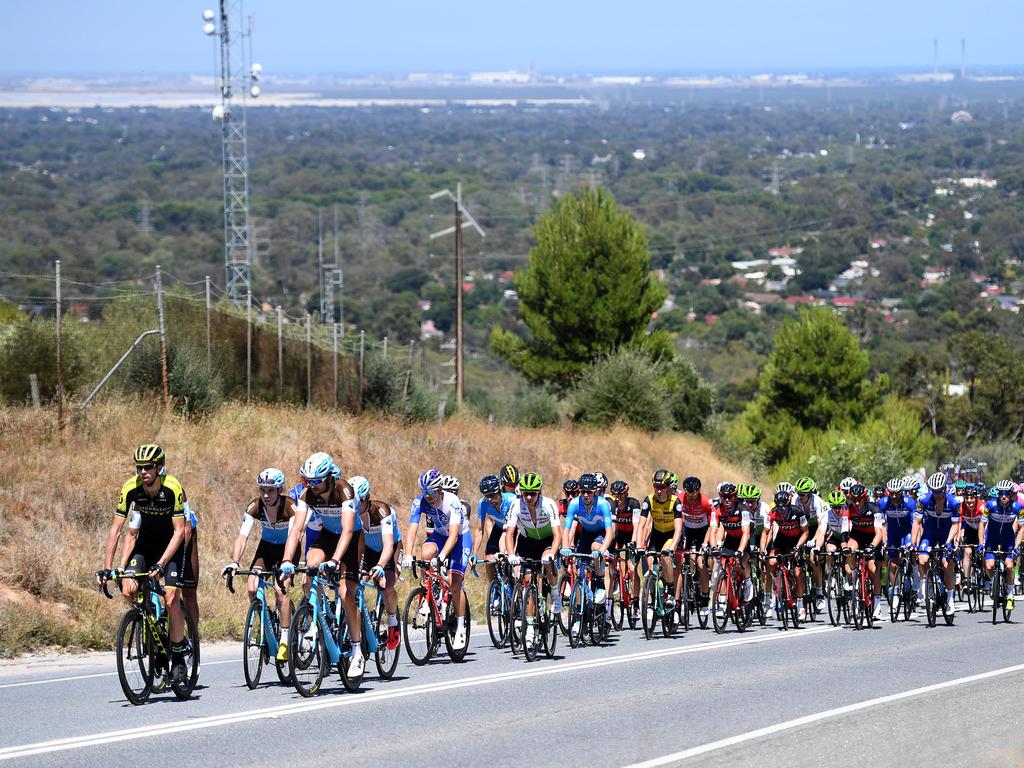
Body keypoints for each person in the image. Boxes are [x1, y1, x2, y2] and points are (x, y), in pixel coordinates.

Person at [99, 444, 189, 684]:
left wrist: (161, 564)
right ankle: (153, 634)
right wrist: (108, 569)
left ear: (159, 467)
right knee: (128, 588)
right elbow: (117, 530)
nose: (143, 472)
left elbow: (180, 532)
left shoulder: (173, 487)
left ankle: (179, 655)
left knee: (171, 599)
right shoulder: (131, 488)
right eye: (139, 467)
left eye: (148, 467)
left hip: (171, 546)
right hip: (146, 546)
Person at [279, 452, 365, 676]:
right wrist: (287, 560)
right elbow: (296, 530)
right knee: (310, 565)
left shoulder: (343, 490)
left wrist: (335, 560)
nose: (312, 486)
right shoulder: (308, 495)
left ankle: (357, 650)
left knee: (346, 594)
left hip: (353, 539)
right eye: (308, 481)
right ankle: (321, 615)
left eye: (316, 481)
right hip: (328, 534)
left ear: (328, 478)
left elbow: (347, 530)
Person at [222, 468, 305, 661]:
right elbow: (242, 537)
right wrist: (235, 562)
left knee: (279, 589)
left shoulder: (290, 507)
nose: (266, 495)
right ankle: (265, 619)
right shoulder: (255, 506)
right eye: (262, 490)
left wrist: (286, 562)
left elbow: (295, 535)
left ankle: (285, 639)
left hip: (288, 549)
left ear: (280, 490)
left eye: (271, 490)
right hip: (266, 549)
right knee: (252, 588)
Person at [402, 469, 472, 650]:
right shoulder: (420, 501)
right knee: (425, 554)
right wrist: (408, 554)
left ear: (440, 489)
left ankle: (461, 626)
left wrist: (441, 557)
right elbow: (412, 530)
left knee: (454, 583)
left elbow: (455, 535)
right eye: (425, 492)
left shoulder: (452, 501)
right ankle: (429, 594)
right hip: (440, 536)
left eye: (432, 492)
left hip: (459, 539)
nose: (428, 496)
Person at [502, 472, 562, 635]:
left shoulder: (548, 504)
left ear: (539, 492)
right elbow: (509, 533)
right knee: (528, 581)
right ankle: (529, 627)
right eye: (525, 493)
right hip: (528, 541)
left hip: (547, 541)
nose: (529, 497)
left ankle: (555, 592)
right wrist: (511, 555)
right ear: (521, 493)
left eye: (533, 493)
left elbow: (557, 534)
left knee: (546, 562)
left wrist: (552, 554)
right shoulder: (516, 505)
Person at [349, 475, 402, 651]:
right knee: (354, 584)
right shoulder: (350, 513)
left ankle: (393, 623)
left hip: (390, 548)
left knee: (386, 586)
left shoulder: (382, 511)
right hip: (368, 550)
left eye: (359, 502)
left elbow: (388, 545)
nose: (355, 507)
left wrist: (380, 566)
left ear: (367, 498)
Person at [561, 472, 614, 612]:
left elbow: (610, 532)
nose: (585, 495)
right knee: (579, 573)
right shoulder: (574, 504)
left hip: (600, 534)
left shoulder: (603, 504)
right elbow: (566, 529)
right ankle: (580, 612)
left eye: (588, 492)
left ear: (594, 491)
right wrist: (565, 548)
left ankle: (601, 583)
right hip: (585, 535)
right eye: (582, 492)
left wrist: (602, 551)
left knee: (596, 548)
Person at [911, 472, 960, 611]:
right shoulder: (923, 500)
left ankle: (950, 599)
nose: (937, 495)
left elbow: (956, 525)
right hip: (930, 533)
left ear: (944, 489)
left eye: (939, 492)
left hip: (947, 534)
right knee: (922, 559)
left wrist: (949, 542)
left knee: (946, 565)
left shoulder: (954, 502)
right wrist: (913, 543)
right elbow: (917, 522)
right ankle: (926, 586)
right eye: (934, 492)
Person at [638, 469, 684, 610]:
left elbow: (678, 529)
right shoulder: (649, 500)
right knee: (650, 566)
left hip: (671, 535)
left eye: (662, 487)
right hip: (657, 535)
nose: (658, 491)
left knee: (665, 556)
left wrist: (672, 548)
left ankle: (670, 591)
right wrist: (640, 544)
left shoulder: (675, 502)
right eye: (656, 487)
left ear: (669, 488)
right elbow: (641, 524)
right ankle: (654, 599)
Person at [765, 485, 809, 619]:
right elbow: (766, 532)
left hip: (796, 540)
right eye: (779, 508)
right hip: (782, 539)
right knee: (771, 561)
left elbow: (806, 532)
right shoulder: (772, 512)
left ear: (789, 505)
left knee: (797, 572)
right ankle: (778, 587)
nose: (782, 511)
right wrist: (762, 550)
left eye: (784, 508)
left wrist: (797, 547)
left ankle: (800, 604)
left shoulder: (798, 512)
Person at [842, 483, 885, 618]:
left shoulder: (874, 509)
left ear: (865, 498)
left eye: (859, 499)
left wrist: (872, 547)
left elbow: (879, 533)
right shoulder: (848, 510)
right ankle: (854, 583)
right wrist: (844, 547)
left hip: (873, 538)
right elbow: (844, 531)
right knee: (850, 554)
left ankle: (877, 603)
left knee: (873, 570)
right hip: (857, 536)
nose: (856, 502)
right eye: (853, 500)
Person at [979, 480, 1024, 609]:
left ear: (1010, 494)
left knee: (1009, 566)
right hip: (991, 539)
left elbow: (1022, 528)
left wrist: (1016, 546)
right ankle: (994, 582)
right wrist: (981, 543)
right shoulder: (990, 505)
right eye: (1001, 493)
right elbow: (982, 524)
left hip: (1008, 539)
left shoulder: (1017, 507)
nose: (1003, 496)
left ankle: (1010, 594)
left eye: (1006, 493)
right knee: (989, 565)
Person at [675, 475, 713, 618]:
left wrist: (705, 543)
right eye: (688, 495)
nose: (691, 498)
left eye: (694, 495)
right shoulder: (679, 498)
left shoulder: (705, 501)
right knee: (682, 559)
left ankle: (704, 599)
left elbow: (712, 525)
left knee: (701, 564)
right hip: (687, 530)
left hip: (702, 531)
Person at [878, 477, 919, 606]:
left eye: (897, 493)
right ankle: (895, 591)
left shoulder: (910, 503)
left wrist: (913, 543)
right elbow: (882, 524)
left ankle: (916, 577)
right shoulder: (883, 503)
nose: (894, 496)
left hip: (907, 533)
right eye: (891, 493)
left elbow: (916, 524)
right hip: (893, 534)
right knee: (893, 563)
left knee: (912, 553)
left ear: (901, 492)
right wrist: (884, 541)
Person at [472, 474, 516, 587]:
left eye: (492, 495)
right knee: (489, 560)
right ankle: (495, 590)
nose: (490, 499)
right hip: (499, 528)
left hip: (515, 529)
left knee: (506, 557)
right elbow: (479, 530)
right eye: (487, 496)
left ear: (500, 491)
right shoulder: (483, 503)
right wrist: (474, 554)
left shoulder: (511, 500)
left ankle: (516, 586)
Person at [713, 482, 753, 602]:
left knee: (742, 561)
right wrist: (718, 544)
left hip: (745, 538)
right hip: (731, 538)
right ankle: (722, 599)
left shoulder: (743, 509)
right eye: (723, 497)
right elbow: (720, 527)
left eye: (729, 497)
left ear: (734, 497)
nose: (726, 499)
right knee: (724, 564)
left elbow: (746, 533)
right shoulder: (719, 509)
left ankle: (748, 582)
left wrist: (740, 551)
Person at [608, 479, 641, 620]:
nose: (618, 498)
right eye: (615, 495)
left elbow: (637, 524)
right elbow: (613, 527)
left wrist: (634, 542)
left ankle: (636, 603)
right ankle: (615, 579)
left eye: (621, 495)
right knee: (611, 559)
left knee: (632, 569)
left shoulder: (634, 504)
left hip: (633, 535)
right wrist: (612, 544)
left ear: (626, 494)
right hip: (619, 536)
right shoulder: (613, 505)